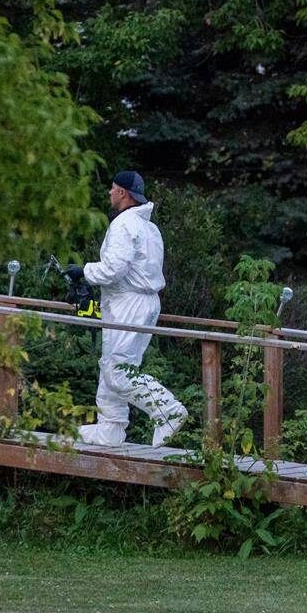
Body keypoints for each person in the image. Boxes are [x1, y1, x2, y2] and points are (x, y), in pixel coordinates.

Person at [67, 171, 188, 447]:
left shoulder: (124, 225)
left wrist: (83, 271)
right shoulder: (150, 228)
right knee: (115, 365)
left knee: (118, 371)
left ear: (123, 192)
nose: (109, 193)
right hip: (142, 302)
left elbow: (113, 269)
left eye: (112, 189)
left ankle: (167, 409)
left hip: (128, 303)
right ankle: (110, 428)